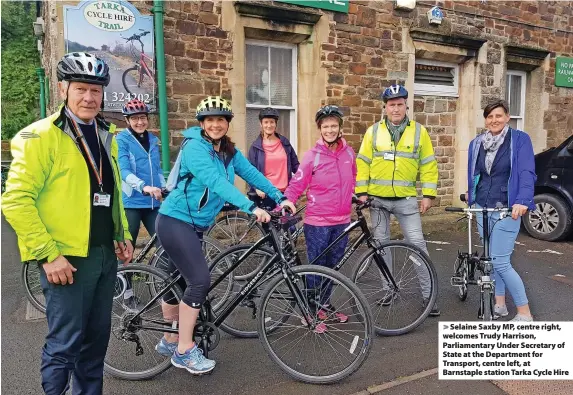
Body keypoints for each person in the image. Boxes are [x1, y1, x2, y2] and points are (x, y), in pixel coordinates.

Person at [1, 52, 133, 394]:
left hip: (104, 254)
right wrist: (47, 255)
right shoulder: (39, 136)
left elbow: (109, 189)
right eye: (81, 89)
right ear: (64, 89)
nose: (89, 97)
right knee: (64, 346)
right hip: (67, 260)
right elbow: (15, 201)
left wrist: (123, 233)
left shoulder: (106, 134)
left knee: (96, 343)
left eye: (96, 90)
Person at [154, 96, 296, 374]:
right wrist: (251, 206)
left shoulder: (228, 151)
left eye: (221, 119)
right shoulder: (195, 148)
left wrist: (280, 197)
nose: (216, 124)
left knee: (176, 280)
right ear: (202, 124)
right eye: (210, 120)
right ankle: (184, 350)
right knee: (199, 281)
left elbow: (252, 173)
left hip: (195, 224)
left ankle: (170, 338)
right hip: (175, 220)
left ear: (227, 123)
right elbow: (215, 182)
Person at [355, 84, 440, 316]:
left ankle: (429, 295)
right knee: (381, 246)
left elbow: (428, 165)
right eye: (391, 105)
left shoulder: (419, 131)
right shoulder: (373, 131)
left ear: (406, 106)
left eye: (399, 104)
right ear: (385, 107)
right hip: (378, 201)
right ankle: (388, 289)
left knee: (418, 246)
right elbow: (362, 163)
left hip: (406, 200)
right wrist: (362, 192)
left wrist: (428, 194)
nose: (395, 109)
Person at [284, 105, 357, 333]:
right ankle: (308, 310)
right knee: (316, 267)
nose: (330, 130)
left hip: (342, 219)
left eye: (334, 125)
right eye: (325, 126)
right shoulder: (312, 156)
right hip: (318, 221)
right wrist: (287, 202)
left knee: (334, 266)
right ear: (320, 129)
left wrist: (356, 195)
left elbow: (353, 179)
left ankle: (322, 304)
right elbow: (297, 183)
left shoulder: (349, 153)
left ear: (339, 127)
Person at [466, 99, 535, 322]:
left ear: (507, 117)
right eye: (489, 116)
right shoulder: (477, 143)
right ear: (485, 120)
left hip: (508, 208)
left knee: (500, 261)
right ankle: (500, 304)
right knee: (491, 259)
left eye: (498, 115)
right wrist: (471, 193)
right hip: (482, 208)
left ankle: (525, 313)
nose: (494, 120)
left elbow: (527, 172)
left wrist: (523, 199)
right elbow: (475, 174)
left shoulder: (520, 140)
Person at [116, 99, 165, 305]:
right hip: (132, 202)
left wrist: (165, 187)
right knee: (127, 250)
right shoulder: (122, 140)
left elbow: (157, 169)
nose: (139, 122)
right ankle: (125, 292)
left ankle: (165, 285)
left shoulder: (153, 140)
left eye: (143, 118)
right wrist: (143, 186)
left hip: (153, 203)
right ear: (127, 120)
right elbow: (124, 170)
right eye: (135, 118)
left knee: (166, 244)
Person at [247, 107, 299, 209]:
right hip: (266, 194)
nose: (269, 125)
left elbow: (296, 165)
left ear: (276, 124)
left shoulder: (285, 143)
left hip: (285, 193)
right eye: (266, 122)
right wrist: (257, 188)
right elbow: (249, 172)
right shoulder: (255, 147)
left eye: (272, 122)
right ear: (261, 124)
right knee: (269, 225)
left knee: (288, 223)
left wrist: (309, 178)